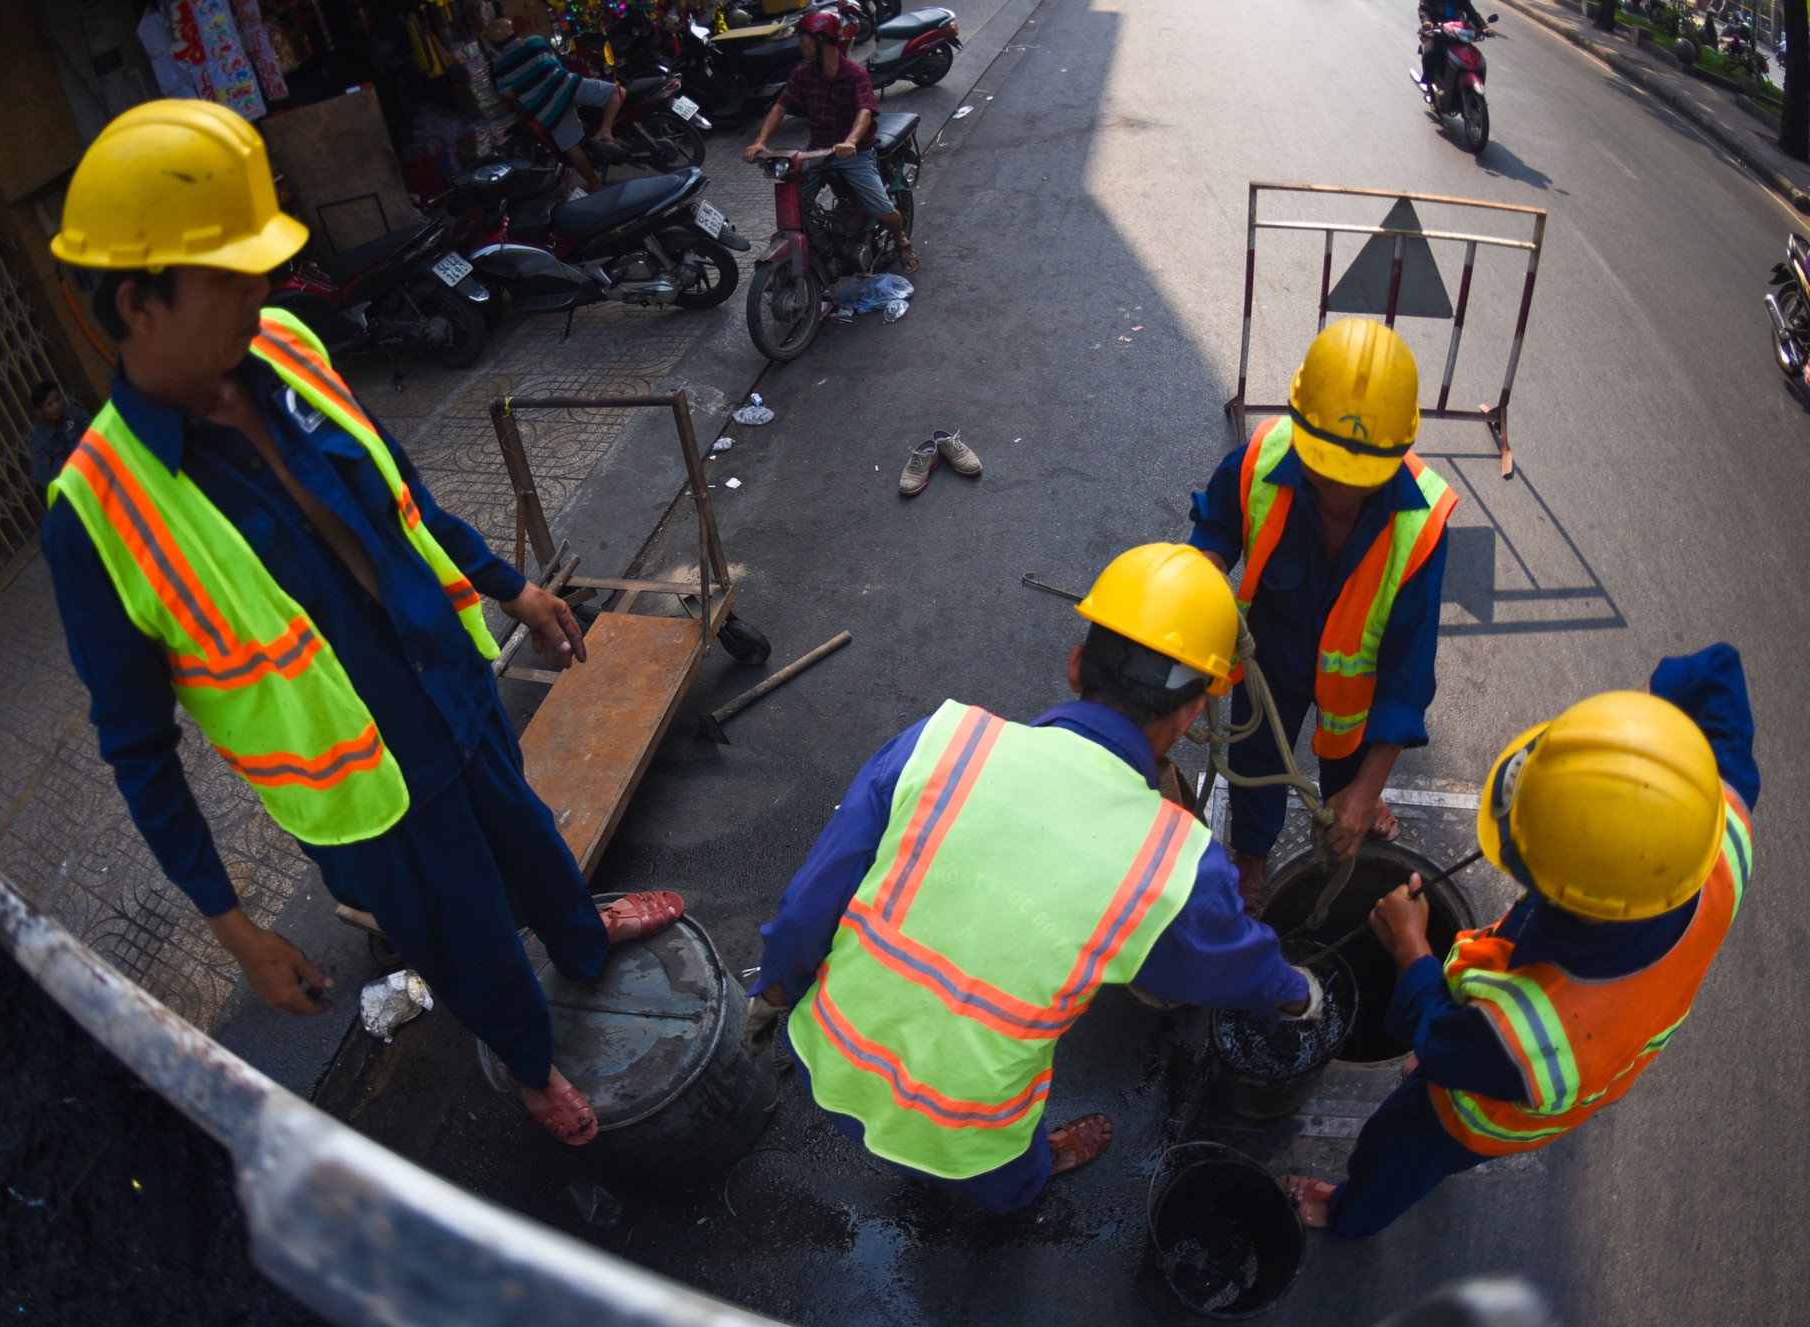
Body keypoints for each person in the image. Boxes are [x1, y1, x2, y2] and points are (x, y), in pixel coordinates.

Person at [41, 99, 682, 1146]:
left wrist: (505, 584)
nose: (262, 292)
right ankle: (527, 1062)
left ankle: (580, 935)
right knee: (467, 935)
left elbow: (404, 496)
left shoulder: (287, 346)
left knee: (526, 834)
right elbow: (139, 755)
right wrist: (234, 928)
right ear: (124, 308)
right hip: (368, 792)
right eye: (228, 277)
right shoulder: (95, 514)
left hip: (451, 685)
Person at [748, 545, 1320, 1212]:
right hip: (963, 1129)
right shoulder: (1173, 863)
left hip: (832, 1064)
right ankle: (1034, 1174)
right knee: (1003, 1174)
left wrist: (775, 989)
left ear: (1077, 662)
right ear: (1193, 713)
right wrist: (1293, 993)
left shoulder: (943, 740)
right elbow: (1216, 966)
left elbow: (808, 903)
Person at [1281, 644, 1757, 1236]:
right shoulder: (1716, 825)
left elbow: (1440, 1039)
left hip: (1478, 1111)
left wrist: (1411, 948)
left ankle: (1349, 1213)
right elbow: (1716, 674)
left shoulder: (1540, 1029)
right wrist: (1628, 753)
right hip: (1594, 1039)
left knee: (1399, 1149)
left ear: (1578, 898)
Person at [1188, 318, 1457, 914]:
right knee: (1256, 759)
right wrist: (1193, 597)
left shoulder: (1422, 526)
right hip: (1271, 668)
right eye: (1325, 466)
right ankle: (1251, 860)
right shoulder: (1263, 458)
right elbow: (1217, 527)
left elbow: (1406, 678)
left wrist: (1366, 789)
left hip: (1354, 700)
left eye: (1354, 477)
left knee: (1347, 792)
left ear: (1398, 447)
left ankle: (1361, 803)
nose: (1337, 486)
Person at [742, 10, 919, 275]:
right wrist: (760, 141)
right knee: (797, 204)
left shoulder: (855, 74)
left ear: (821, 39)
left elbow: (865, 112)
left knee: (882, 210)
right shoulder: (803, 73)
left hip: (855, 153)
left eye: (803, 38)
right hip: (817, 152)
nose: (800, 43)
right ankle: (822, 249)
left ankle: (902, 240)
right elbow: (780, 107)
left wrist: (850, 141)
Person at [486, 18, 625, 192]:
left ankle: (596, 185)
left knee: (571, 147)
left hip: (547, 108)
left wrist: (528, 87)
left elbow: (507, 93)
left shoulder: (499, 67)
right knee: (617, 92)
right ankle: (605, 130)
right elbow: (555, 61)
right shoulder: (535, 41)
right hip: (568, 87)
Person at [25, 380, 93, 490]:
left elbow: (95, 432)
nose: (56, 406)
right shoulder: (39, 443)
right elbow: (47, 480)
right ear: (39, 411)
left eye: (57, 399)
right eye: (49, 404)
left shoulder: (74, 414)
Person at [1418, 0, 1489, 96]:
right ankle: (1429, 87)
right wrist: (1427, 21)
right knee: (1430, 52)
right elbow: (1423, 8)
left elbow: (1472, 12)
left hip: (1456, 32)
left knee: (1475, 57)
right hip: (1435, 31)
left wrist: (1483, 27)